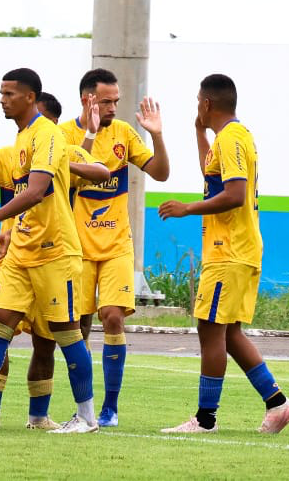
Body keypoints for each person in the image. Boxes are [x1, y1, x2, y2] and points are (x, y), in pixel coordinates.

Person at [0, 94, 108, 431]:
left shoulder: (50, 137)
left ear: (29, 98)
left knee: (63, 334)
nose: (2, 99)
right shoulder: (15, 148)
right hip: (19, 254)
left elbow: (55, 185)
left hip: (55, 253)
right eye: (0, 92)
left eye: (8, 93)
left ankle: (86, 416)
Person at [158, 74, 289, 433]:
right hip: (237, 250)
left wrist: (187, 208)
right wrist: (198, 133)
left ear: (206, 103)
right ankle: (278, 404)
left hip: (230, 250)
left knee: (210, 328)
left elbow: (235, 193)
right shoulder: (230, 137)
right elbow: (214, 174)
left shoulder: (233, 138)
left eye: (197, 103)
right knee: (230, 332)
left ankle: (206, 420)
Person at [59, 68, 171, 427]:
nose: (113, 107)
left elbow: (161, 173)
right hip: (76, 246)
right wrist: (89, 136)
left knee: (112, 316)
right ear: (86, 99)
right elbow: (72, 177)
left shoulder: (124, 134)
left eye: (116, 101)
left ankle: (110, 408)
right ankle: (85, 408)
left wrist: (157, 136)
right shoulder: (63, 135)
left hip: (116, 246)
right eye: (106, 101)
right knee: (79, 325)